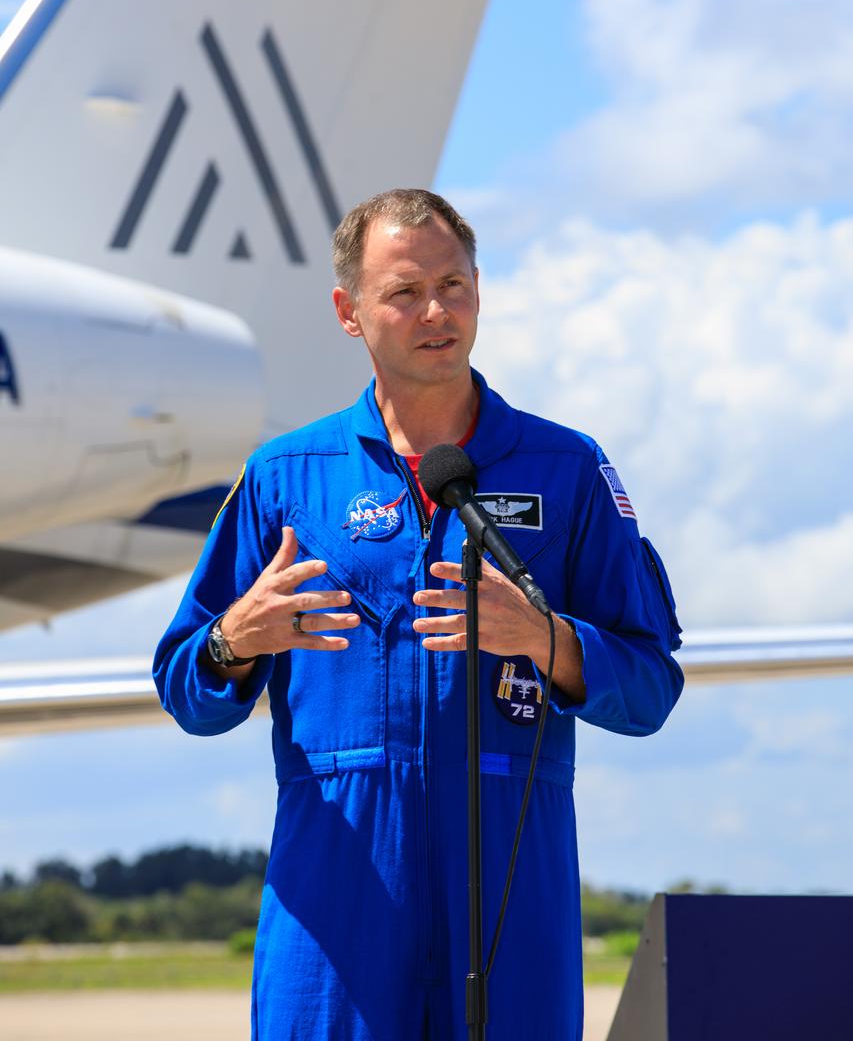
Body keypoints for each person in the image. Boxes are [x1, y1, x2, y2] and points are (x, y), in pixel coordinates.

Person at [154, 189, 683, 1041]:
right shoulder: (286, 474)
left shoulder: (567, 468)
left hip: (512, 881)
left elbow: (650, 687)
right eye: (403, 292)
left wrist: (544, 639)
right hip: (339, 891)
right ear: (349, 312)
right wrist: (232, 641)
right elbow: (186, 691)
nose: (435, 311)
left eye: (454, 285)